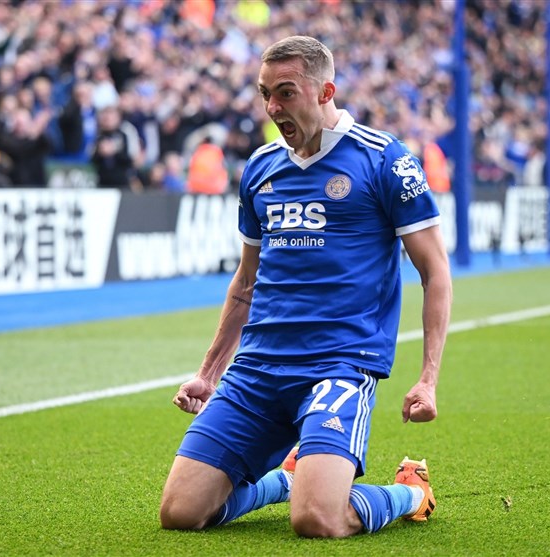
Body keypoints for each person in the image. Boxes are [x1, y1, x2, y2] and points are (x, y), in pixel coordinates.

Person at [159, 36, 452, 538]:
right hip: (258, 368)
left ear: (325, 92)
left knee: (317, 519)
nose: (272, 107)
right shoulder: (260, 168)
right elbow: (246, 282)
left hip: (338, 365)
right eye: (265, 93)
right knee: (181, 513)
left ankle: (411, 493)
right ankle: (286, 480)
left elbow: (435, 271)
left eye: (285, 93)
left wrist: (427, 378)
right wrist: (209, 373)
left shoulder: (384, 159)